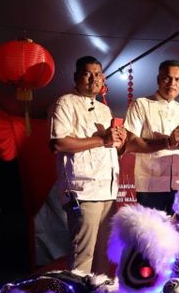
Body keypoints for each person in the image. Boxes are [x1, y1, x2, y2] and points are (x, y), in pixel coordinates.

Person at [49, 55, 126, 274]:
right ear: (76, 77)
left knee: (104, 256)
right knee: (83, 256)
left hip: (108, 190)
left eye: (98, 74)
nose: (94, 79)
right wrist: (102, 140)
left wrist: (119, 142)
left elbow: (111, 147)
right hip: (83, 191)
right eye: (87, 74)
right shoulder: (65, 102)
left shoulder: (104, 109)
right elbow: (59, 143)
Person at [123, 60, 179, 214]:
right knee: (150, 229)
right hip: (150, 186)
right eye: (167, 78)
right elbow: (131, 143)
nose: (172, 83)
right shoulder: (141, 104)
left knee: (178, 229)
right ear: (158, 79)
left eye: (178, 79)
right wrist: (168, 142)